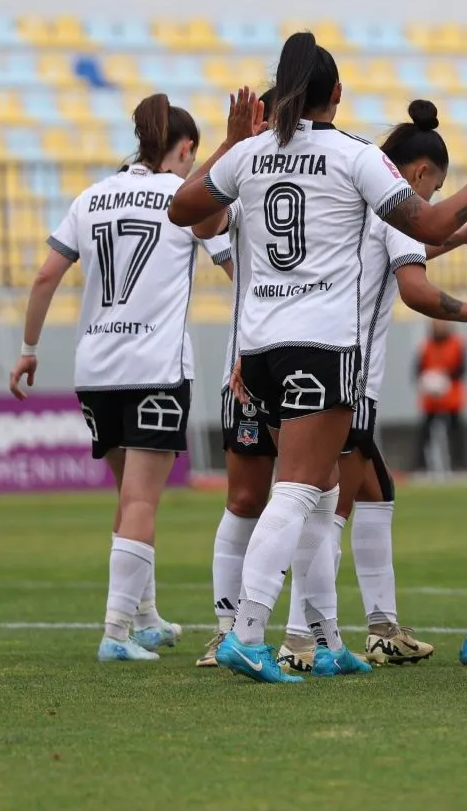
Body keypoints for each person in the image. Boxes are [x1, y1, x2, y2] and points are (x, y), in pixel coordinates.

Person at [168, 31, 467, 683]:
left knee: (328, 484)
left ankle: (326, 636)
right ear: (336, 94)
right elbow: (429, 224)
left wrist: (228, 140)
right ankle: (246, 633)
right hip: (321, 342)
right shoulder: (353, 154)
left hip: (260, 347)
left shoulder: (249, 153)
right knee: (302, 488)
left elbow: (182, 206)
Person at [276, 99, 467, 672]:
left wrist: (458, 239)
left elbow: (400, 252)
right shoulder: (392, 203)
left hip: (327, 362)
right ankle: (303, 638)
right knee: (323, 506)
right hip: (349, 373)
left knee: (374, 492)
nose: (429, 203)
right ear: (418, 175)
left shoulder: (361, 191)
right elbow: (412, 284)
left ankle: (377, 628)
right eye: (433, 190)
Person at [9, 90, 246, 662]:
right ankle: (115, 634)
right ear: (185, 148)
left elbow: (44, 278)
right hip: (155, 366)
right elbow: (234, 267)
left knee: (129, 495)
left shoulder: (91, 196)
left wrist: (28, 349)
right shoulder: (183, 199)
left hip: (95, 368)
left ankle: (143, 617)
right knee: (142, 500)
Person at [194, 87, 275, 668]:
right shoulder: (243, 181)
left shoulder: (331, 170)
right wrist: (231, 142)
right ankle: (227, 629)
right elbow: (200, 215)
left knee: (316, 499)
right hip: (249, 369)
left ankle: (308, 629)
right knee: (246, 498)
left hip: (320, 360)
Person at [413, 320, 467, 471]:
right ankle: (420, 466)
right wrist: (428, 383)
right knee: (425, 434)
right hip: (431, 399)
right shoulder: (425, 346)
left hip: (452, 398)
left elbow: (462, 369)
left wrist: (444, 378)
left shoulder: (457, 344)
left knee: (456, 433)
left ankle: (459, 465)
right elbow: (417, 371)